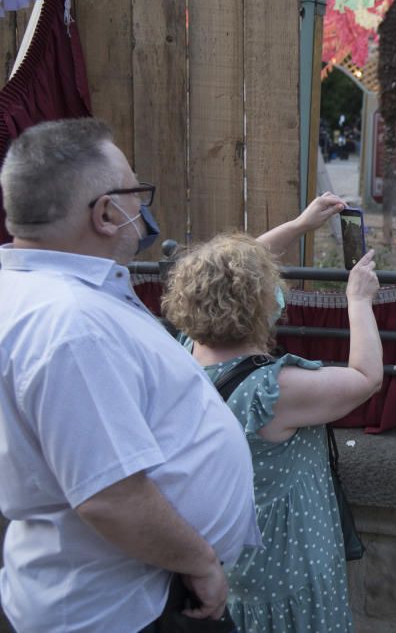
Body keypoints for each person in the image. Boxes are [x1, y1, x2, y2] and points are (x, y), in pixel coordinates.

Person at [0, 118, 260, 632]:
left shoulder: (42, 294)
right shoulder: (71, 326)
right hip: (129, 607)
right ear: (105, 212)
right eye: (134, 193)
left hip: (111, 591)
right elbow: (111, 497)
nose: (142, 209)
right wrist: (201, 562)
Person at [161, 193, 384, 632]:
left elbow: (229, 271)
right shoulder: (274, 390)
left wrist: (301, 225)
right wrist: (358, 300)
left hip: (225, 558)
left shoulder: (184, 355)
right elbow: (365, 377)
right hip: (285, 562)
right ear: (260, 307)